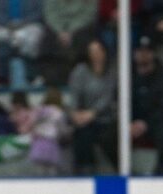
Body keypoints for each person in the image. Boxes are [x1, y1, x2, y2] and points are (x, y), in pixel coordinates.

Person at [69, 39, 117, 175]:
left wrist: (92, 113)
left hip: (105, 117)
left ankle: (117, 170)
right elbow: (74, 94)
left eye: (98, 51)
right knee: (82, 132)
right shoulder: (80, 71)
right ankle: (84, 170)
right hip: (83, 117)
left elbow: (108, 97)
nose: (95, 54)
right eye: (92, 51)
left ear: (104, 52)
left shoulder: (111, 72)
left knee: (103, 134)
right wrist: (75, 113)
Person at [131, 36, 163, 176]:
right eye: (140, 51)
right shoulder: (127, 73)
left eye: (147, 51)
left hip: (154, 123)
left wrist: (146, 124)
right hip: (131, 122)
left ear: (153, 53)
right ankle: (124, 171)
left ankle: (159, 172)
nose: (143, 55)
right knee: (108, 135)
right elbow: (118, 99)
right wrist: (129, 122)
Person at [37, 0, 96, 86]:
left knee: (83, 40)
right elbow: (50, 14)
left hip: (81, 28)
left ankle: (81, 79)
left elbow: (88, 15)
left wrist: (70, 32)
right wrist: (60, 31)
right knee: (46, 41)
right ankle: (48, 78)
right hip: (57, 28)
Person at [25, 86, 69, 175]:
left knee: (39, 174)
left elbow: (30, 124)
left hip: (38, 143)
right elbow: (62, 130)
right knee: (51, 173)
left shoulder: (38, 110)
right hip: (51, 143)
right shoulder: (58, 112)